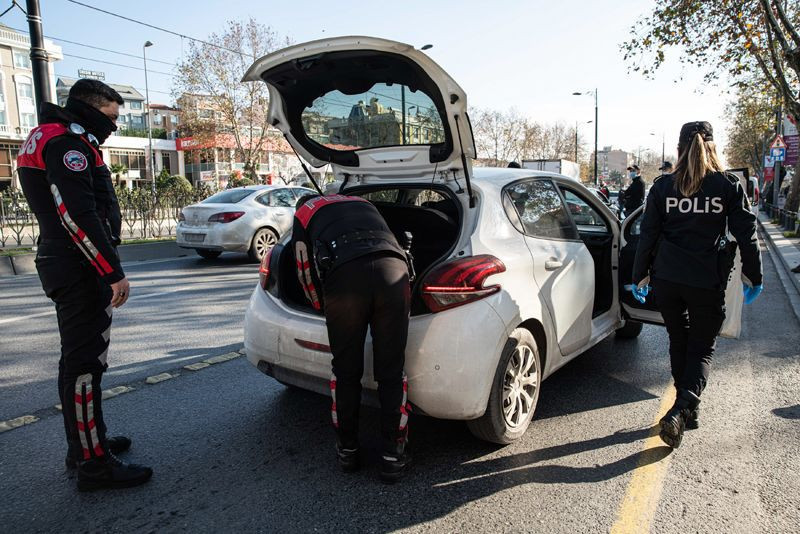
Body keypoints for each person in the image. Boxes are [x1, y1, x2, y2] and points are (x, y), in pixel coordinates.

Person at [17, 79, 152, 491]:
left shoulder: (51, 135)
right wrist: (111, 271)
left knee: (77, 364)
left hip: (65, 262)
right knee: (85, 366)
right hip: (79, 268)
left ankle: (86, 445)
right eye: (111, 117)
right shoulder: (66, 144)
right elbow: (77, 215)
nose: (113, 125)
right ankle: (94, 464)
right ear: (90, 108)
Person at [631, 121, 762, 449]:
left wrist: (639, 276)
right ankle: (682, 408)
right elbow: (746, 233)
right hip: (706, 280)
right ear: (713, 147)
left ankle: (689, 408)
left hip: (668, 278)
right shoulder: (728, 186)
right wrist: (754, 277)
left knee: (679, 340)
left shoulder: (662, 187)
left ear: (678, 150)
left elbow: (648, 234)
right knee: (701, 347)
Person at [291, 193, 412, 482]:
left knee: (345, 373)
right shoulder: (364, 203)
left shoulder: (304, 212)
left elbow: (304, 269)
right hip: (394, 272)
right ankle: (393, 457)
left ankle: (348, 452)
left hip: (346, 280)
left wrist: (322, 307)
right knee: (392, 373)